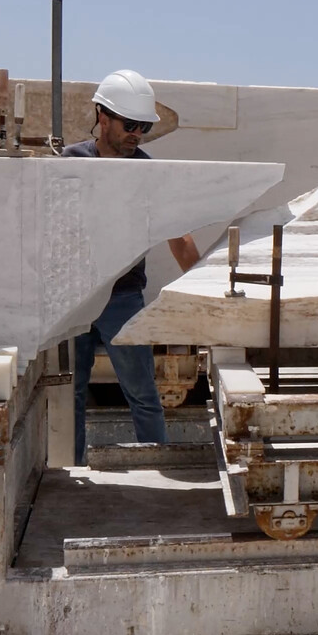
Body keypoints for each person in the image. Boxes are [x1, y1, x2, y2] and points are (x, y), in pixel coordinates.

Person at [61, 69, 201, 464]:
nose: (136, 133)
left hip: (123, 299)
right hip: (74, 297)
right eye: (130, 124)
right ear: (102, 116)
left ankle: (156, 466)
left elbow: (180, 238)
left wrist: (208, 298)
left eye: (143, 127)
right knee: (70, 394)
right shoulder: (70, 162)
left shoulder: (146, 171)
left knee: (143, 394)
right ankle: (70, 475)